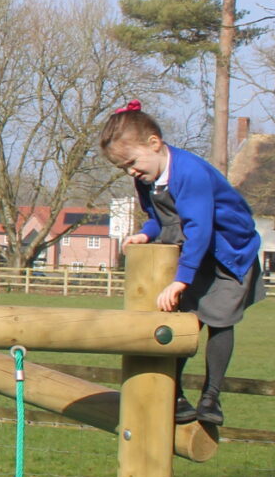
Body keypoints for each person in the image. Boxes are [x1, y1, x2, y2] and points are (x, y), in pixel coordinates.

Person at [100, 101, 261, 427]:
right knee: (181, 321)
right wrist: (147, 234)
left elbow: (199, 229)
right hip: (193, 251)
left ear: (154, 143)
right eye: (123, 168)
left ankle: (211, 397)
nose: (131, 171)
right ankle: (174, 396)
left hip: (227, 254)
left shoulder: (190, 173)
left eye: (132, 162)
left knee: (220, 318)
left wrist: (180, 280)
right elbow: (160, 218)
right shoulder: (147, 179)